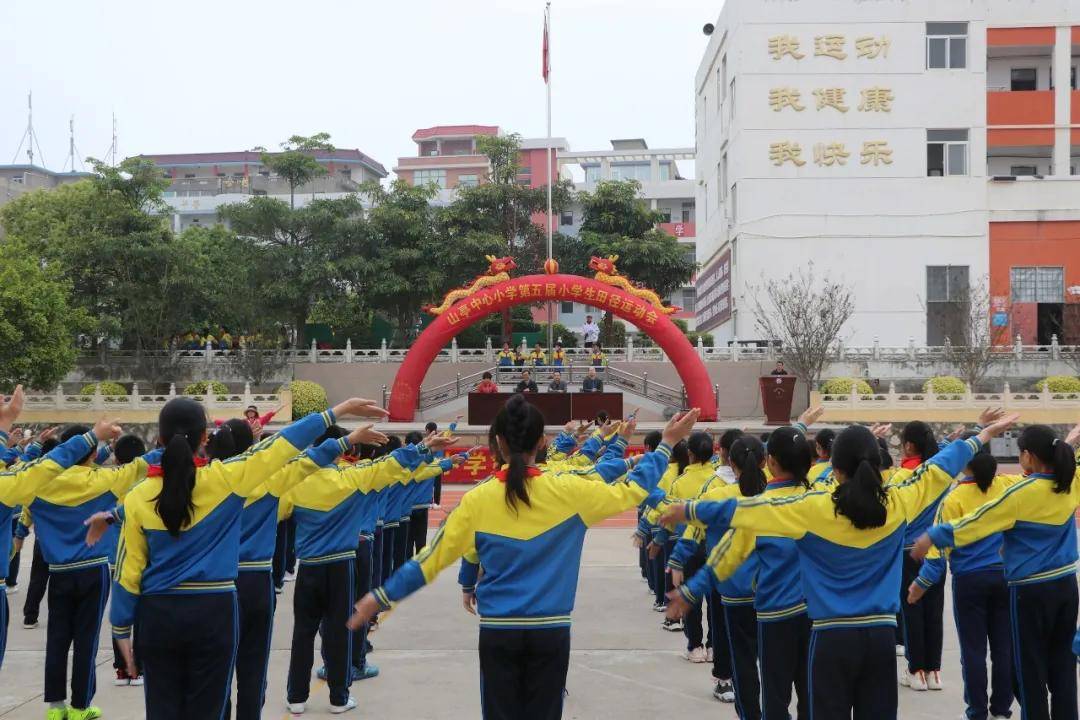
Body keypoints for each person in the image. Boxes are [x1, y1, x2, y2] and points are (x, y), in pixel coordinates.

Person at [347, 398, 701, 720]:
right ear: (542, 442)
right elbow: (634, 489)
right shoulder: (570, 491)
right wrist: (666, 443)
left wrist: (379, 598)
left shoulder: (477, 500)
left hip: (498, 632)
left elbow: (430, 560)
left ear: (498, 442)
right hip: (551, 631)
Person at [662, 408, 1017, 720]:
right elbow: (937, 469)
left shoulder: (815, 508)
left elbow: (752, 510)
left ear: (833, 468)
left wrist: (691, 510)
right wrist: (980, 436)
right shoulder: (898, 502)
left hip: (831, 638)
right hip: (880, 637)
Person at [108, 395, 390, 719]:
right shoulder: (227, 480)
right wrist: (337, 413)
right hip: (214, 608)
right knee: (212, 705)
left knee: (162, 709)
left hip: (158, 615)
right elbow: (284, 448)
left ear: (159, 438)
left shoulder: (138, 497)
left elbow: (128, 570)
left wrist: (121, 627)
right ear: (204, 437)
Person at [280, 428, 455, 715]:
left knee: (302, 632)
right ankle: (338, 698)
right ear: (339, 453)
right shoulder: (352, 478)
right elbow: (390, 464)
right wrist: (424, 447)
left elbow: (277, 512)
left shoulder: (296, 484)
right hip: (340, 566)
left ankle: (296, 696)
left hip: (309, 568)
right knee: (340, 631)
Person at [913, 422, 1080, 720]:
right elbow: (1069, 464)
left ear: (1028, 456)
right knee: (1062, 664)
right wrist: (1069, 443)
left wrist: (934, 536)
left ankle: (981, 711)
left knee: (1027, 668)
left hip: (1028, 590)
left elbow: (978, 521)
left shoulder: (1019, 494)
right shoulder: (1070, 482)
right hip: (1066, 586)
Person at [906, 437, 1013, 720]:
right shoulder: (1006, 486)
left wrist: (922, 583)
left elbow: (938, 550)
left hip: (970, 580)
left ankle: (977, 711)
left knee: (973, 649)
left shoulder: (954, 499)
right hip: (1004, 576)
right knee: (1004, 647)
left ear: (965, 464)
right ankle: (1002, 709)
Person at [891, 420, 946, 690]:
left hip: (909, 550)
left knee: (912, 609)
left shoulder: (902, 476)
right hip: (936, 549)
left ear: (910, 446)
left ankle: (916, 671)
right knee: (934, 612)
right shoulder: (939, 474)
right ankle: (935, 672)